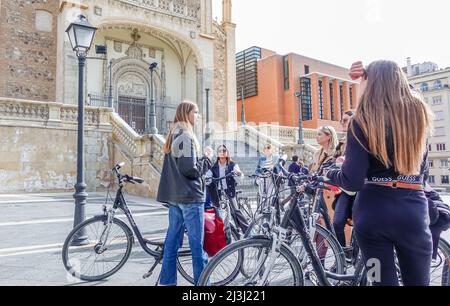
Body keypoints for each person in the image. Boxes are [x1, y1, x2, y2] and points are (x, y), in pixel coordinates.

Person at [326, 60, 433, 286]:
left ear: (369, 83)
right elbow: (423, 171)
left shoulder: (361, 120)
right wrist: (381, 76)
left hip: (372, 215)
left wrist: (331, 173)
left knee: (379, 281)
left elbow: (352, 181)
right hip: (412, 211)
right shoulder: (419, 117)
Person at [156, 100, 209, 286]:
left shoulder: (174, 133)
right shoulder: (186, 136)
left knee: (171, 243)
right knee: (197, 246)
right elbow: (190, 170)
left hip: (176, 198)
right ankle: (202, 286)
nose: (198, 115)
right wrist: (207, 159)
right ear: (187, 113)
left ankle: (167, 282)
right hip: (190, 198)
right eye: (196, 112)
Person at [205, 144, 249, 233]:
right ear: (217, 154)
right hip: (218, 193)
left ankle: (248, 232)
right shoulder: (214, 167)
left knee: (236, 211)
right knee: (219, 214)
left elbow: (239, 174)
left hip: (229, 192)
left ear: (227, 152)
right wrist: (206, 178)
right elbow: (207, 177)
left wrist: (239, 173)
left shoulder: (232, 165)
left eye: (224, 151)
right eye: (220, 151)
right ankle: (222, 234)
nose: (222, 152)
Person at [331, 110, 356, 249]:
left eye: (345, 120)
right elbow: (333, 160)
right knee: (337, 223)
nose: (342, 122)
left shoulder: (361, 138)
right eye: (342, 120)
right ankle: (342, 256)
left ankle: (357, 253)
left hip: (360, 187)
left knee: (360, 224)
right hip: (345, 189)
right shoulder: (341, 143)